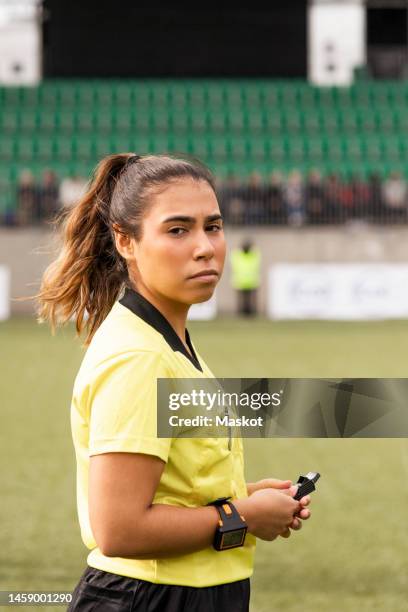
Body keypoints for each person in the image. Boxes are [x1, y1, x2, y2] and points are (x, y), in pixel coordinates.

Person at [34, 153, 311, 612]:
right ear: (125, 241)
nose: (205, 246)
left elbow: (175, 486)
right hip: (148, 598)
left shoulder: (168, 339)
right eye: (178, 230)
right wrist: (241, 515)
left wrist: (242, 498)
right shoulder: (139, 356)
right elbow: (120, 529)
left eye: (213, 226)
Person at [230, 240, 261, 316]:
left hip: (248, 281)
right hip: (244, 281)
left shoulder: (238, 255)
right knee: (243, 300)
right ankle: (243, 313)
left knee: (249, 300)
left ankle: (249, 313)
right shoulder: (253, 255)